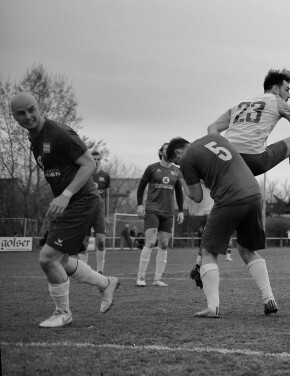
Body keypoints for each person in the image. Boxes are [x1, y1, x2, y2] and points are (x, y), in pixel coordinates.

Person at [10, 92, 119, 328]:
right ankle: (105, 283)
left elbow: (89, 164)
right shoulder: (35, 139)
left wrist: (66, 196)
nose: (28, 116)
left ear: (39, 108)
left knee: (48, 259)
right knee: (62, 261)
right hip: (70, 204)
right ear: (14, 118)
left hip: (81, 202)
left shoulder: (58, 133)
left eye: (31, 110)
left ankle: (63, 313)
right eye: (21, 113)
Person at [168, 135, 278, 318]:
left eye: (176, 161)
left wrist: (181, 178)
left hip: (230, 198)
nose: (179, 165)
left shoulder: (187, 158)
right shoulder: (214, 138)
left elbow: (196, 196)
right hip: (254, 193)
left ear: (179, 152)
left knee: (208, 253)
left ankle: (213, 307)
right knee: (246, 249)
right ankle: (269, 298)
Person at [207, 68, 290, 191]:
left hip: (226, 160)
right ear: (275, 89)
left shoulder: (241, 103)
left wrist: (220, 152)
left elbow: (212, 128)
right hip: (253, 161)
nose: (289, 95)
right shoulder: (276, 101)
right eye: (287, 90)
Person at [135, 143, 185, 287]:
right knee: (150, 242)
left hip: (168, 212)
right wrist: (139, 205)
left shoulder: (177, 170)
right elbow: (141, 187)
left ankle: (157, 279)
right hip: (152, 210)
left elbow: (179, 192)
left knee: (163, 244)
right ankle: (141, 277)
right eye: (165, 149)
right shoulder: (152, 168)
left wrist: (180, 210)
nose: (168, 151)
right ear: (161, 152)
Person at [88, 150, 110, 273]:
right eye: (94, 159)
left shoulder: (105, 176)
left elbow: (107, 196)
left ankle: (100, 271)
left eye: (98, 159)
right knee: (84, 242)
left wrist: (106, 215)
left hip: (99, 212)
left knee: (101, 241)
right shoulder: (84, 173)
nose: (96, 161)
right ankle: (83, 270)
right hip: (85, 211)